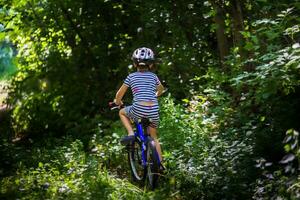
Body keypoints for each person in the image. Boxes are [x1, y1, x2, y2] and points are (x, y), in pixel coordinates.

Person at [114, 47, 165, 165]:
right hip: (153, 110)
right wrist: (156, 95)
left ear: (134, 64)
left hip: (138, 109)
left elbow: (119, 94)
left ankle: (131, 133)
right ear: (151, 65)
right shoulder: (153, 77)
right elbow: (161, 89)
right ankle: (161, 164)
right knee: (153, 136)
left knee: (122, 112)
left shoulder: (131, 77)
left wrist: (118, 102)